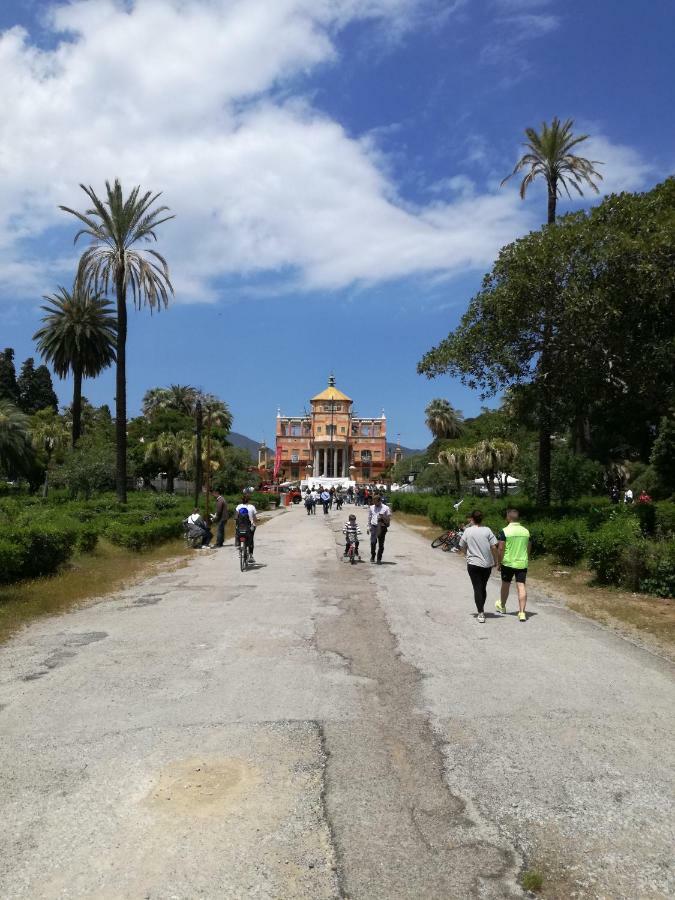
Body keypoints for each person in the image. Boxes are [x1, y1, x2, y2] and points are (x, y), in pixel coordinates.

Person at [459, 510, 498, 623]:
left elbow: (461, 545)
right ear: (482, 519)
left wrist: (466, 554)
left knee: (477, 587)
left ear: (472, 518)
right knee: (483, 587)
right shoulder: (488, 530)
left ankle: (480, 612)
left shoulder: (468, 531)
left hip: (473, 564)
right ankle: (481, 609)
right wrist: (495, 561)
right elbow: (494, 547)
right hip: (487, 564)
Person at [496, 508, 531, 622]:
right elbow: (529, 547)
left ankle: (502, 606)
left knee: (506, 584)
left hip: (508, 562)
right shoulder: (526, 531)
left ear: (508, 518)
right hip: (522, 562)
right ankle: (522, 613)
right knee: (521, 586)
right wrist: (526, 557)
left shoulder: (504, 531)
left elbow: (500, 548)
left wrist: (499, 562)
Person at [367, 492, 391, 564]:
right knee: (373, 542)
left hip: (382, 527)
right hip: (374, 526)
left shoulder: (385, 508)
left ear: (379, 501)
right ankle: (373, 555)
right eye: (373, 502)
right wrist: (368, 527)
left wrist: (383, 517)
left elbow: (389, 518)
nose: (374, 504)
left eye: (376, 502)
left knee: (381, 544)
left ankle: (379, 558)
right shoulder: (371, 507)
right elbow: (369, 517)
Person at [235, 494, 258, 563]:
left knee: (238, 534)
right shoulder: (252, 507)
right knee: (251, 539)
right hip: (250, 526)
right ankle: (251, 556)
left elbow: (236, 517)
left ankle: (239, 546)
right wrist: (256, 520)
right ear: (249, 500)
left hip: (240, 526)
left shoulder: (238, 506)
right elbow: (254, 518)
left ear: (242, 500)